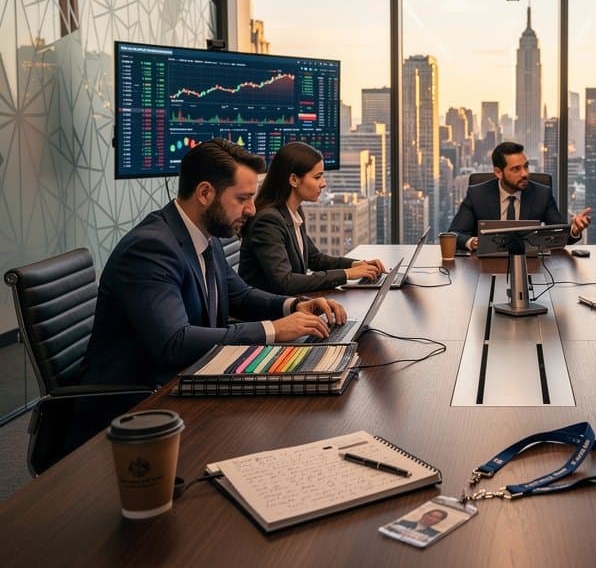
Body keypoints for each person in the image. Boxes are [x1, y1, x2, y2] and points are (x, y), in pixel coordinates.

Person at [82, 138, 346, 389]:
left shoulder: (206, 236)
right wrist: (273, 330)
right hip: (139, 406)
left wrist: (295, 305)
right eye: (243, 199)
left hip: (192, 378)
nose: (252, 210)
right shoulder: (151, 249)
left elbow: (240, 295)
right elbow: (175, 342)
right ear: (205, 193)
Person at [238, 141, 385, 293]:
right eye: (317, 177)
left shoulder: (293, 211)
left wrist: (357, 265)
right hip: (269, 313)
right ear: (294, 180)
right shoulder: (268, 221)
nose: (323, 184)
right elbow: (284, 282)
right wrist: (346, 274)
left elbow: (314, 258)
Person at [448, 141, 592, 252]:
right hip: (485, 267)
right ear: (498, 172)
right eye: (516, 169)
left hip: (530, 266)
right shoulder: (477, 194)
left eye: (526, 166)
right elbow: (454, 234)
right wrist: (474, 242)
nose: (524, 174)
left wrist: (573, 231)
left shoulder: (542, 194)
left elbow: (559, 235)